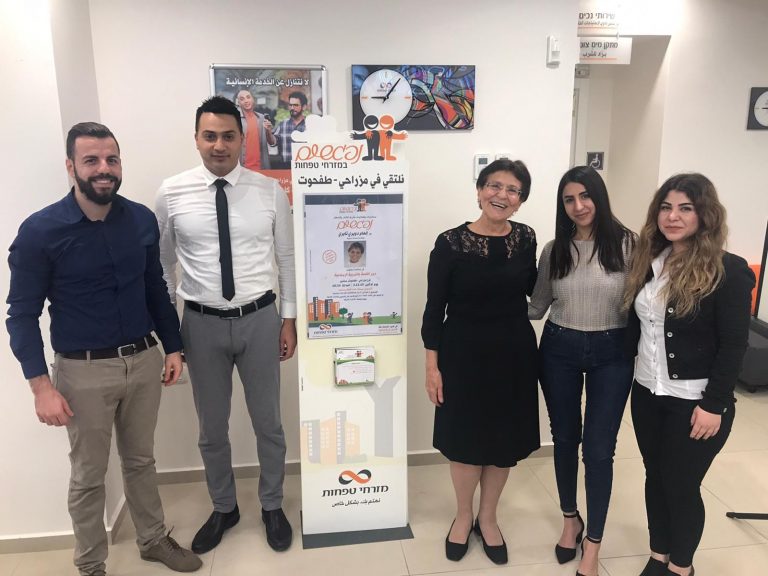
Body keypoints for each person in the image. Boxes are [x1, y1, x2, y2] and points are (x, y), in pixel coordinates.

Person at [6, 122, 201, 576]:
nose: (103, 169)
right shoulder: (40, 231)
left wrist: (173, 348)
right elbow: (21, 314)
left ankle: (152, 539)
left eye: (111, 159)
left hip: (143, 360)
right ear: (71, 166)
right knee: (89, 475)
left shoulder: (140, 220)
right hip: (82, 373)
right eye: (91, 160)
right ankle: (91, 565)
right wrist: (40, 387)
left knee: (141, 460)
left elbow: (155, 288)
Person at [156, 96, 296, 555]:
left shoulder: (269, 191)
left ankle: (272, 505)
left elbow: (286, 258)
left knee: (269, 423)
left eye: (228, 136)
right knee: (211, 429)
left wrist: (288, 319)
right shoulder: (171, 193)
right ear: (197, 139)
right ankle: (224, 507)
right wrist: (170, 334)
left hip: (260, 320)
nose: (219, 145)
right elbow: (162, 266)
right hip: (201, 324)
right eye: (210, 136)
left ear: (242, 138)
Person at [623, 173, 754, 576]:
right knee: (655, 478)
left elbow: (734, 344)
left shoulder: (728, 270)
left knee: (680, 485)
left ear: (704, 214)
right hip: (647, 392)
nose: (672, 216)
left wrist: (715, 404)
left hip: (696, 401)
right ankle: (658, 554)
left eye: (685, 208)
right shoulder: (649, 262)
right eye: (666, 207)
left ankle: (682, 567)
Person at [421, 159, 539, 565]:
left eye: (512, 190)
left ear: (520, 201)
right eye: (494, 185)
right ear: (479, 191)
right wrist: (432, 367)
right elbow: (434, 310)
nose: (501, 195)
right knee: (465, 442)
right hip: (463, 355)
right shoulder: (450, 243)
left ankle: (488, 518)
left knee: (503, 442)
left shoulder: (525, 238)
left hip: (513, 354)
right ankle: (463, 515)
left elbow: (534, 288)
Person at [528, 166, 636, 576]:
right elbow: (538, 306)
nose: (578, 206)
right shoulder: (554, 250)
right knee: (564, 438)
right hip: (559, 348)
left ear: (599, 196)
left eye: (585, 196)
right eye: (569, 199)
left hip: (613, 351)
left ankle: (594, 544)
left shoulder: (630, 245)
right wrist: (483, 303)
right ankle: (570, 518)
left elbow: (644, 305)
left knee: (598, 450)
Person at [235, 88, 276, 171]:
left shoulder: (261, 118)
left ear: (253, 99)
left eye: (248, 97)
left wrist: (269, 131)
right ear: (238, 103)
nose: (246, 101)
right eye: (242, 99)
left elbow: (272, 143)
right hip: (242, 169)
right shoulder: (235, 120)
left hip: (261, 168)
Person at [273, 90, 308, 168]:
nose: (292, 108)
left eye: (295, 105)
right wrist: (268, 131)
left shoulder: (310, 125)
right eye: (290, 105)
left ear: (304, 107)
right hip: (285, 167)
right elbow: (273, 142)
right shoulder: (282, 124)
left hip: (304, 167)